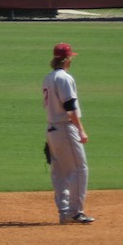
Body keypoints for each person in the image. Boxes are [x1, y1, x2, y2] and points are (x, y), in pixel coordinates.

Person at [42, 42, 94, 224]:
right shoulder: (64, 78)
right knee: (79, 169)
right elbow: (70, 107)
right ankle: (75, 212)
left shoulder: (48, 78)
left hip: (52, 129)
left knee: (60, 171)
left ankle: (64, 212)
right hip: (65, 128)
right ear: (67, 59)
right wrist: (80, 129)